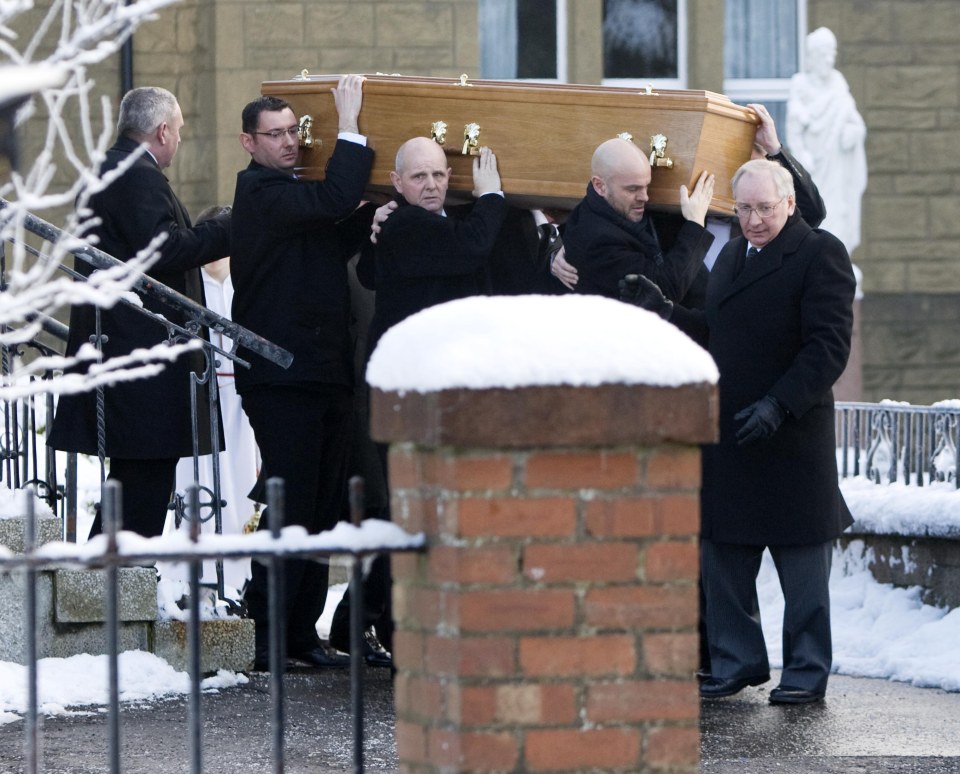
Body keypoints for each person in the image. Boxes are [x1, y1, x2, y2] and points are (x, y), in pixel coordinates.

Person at [621, 158, 856, 704]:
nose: (753, 220)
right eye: (744, 209)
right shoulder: (730, 254)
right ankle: (737, 659)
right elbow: (717, 331)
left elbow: (828, 347)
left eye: (764, 209)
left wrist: (779, 405)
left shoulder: (821, 253)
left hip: (792, 435)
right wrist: (665, 309)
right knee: (723, 554)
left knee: (801, 569)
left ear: (790, 204)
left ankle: (805, 669)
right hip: (732, 432)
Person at [328, 138, 507, 666]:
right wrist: (493, 195)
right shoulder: (409, 223)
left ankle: (363, 621)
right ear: (398, 184)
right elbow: (472, 246)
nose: (432, 185)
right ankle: (389, 628)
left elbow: (375, 274)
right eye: (420, 177)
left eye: (439, 175)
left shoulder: (406, 227)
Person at [230, 75, 375, 670]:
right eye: (276, 134)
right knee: (290, 507)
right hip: (282, 376)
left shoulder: (292, 197)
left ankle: (300, 636)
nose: (290, 143)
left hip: (322, 372)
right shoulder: (262, 191)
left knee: (318, 508)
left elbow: (328, 232)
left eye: (295, 131)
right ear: (249, 143)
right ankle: (267, 637)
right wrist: (351, 126)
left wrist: (373, 217)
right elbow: (332, 201)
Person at [47, 86, 230, 539]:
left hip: (128, 349)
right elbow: (161, 249)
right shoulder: (134, 173)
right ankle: (113, 584)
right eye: (180, 130)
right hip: (141, 354)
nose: (181, 140)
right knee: (143, 486)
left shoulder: (116, 168)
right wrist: (225, 228)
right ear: (162, 130)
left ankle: (113, 583)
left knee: (136, 483)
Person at [553, 105, 826, 292]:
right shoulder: (669, 215)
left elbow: (812, 212)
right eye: (737, 165)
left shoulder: (766, 220)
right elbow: (602, 232)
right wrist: (558, 253)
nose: (747, 178)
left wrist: (774, 148)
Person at [161, 204, 259, 598]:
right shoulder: (189, 283)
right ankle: (192, 570)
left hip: (239, 396)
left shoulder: (247, 279)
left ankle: (239, 571)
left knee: (240, 480)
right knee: (199, 481)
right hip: (200, 393)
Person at [561, 136, 715, 308]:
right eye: (632, 189)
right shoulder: (597, 241)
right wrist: (695, 223)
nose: (645, 197)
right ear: (600, 186)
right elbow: (663, 291)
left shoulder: (608, 207)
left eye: (647, 186)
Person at [787, 26, 867, 254]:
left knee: (838, 210)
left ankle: (838, 255)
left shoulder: (838, 83)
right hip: (812, 167)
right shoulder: (800, 84)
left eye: (831, 54)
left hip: (837, 165)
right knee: (813, 208)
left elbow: (855, 122)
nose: (828, 60)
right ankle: (817, 255)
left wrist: (853, 133)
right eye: (823, 54)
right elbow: (793, 128)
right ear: (812, 56)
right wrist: (802, 156)